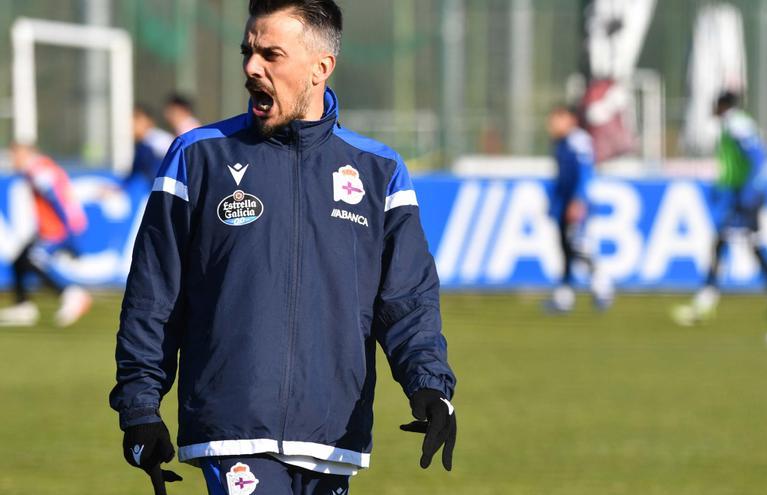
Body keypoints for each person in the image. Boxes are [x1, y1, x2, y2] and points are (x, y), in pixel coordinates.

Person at [109, 2, 457, 494]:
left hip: (333, 435)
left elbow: (407, 301)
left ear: (321, 67)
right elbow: (154, 294)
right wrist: (140, 407)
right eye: (248, 52)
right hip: (234, 431)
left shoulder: (378, 170)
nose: (253, 67)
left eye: (271, 54)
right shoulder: (198, 156)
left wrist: (429, 386)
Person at [672, 92, 767, 326]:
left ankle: (705, 303)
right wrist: (723, 187)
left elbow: (758, 156)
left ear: (722, 105)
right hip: (742, 193)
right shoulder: (733, 125)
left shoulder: (736, 124)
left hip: (745, 195)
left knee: (722, 244)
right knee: (753, 245)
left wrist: (748, 190)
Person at [0, 142, 92, 327]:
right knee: (20, 260)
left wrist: (70, 231)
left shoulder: (38, 169)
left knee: (33, 258)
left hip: (58, 228)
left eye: (15, 155)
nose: (13, 160)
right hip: (54, 227)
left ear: (27, 153)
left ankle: (72, 294)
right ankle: (23, 306)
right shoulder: (39, 168)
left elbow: (56, 198)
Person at [545, 105, 614, 313]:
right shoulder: (561, 143)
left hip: (576, 204)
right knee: (565, 249)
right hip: (565, 202)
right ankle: (564, 297)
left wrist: (578, 200)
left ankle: (603, 286)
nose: (552, 124)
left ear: (570, 119)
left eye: (557, 118)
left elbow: (584, 174)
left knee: (579, 247)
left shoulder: (578, 141)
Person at [128, 104, 175, 187]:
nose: (132, 123)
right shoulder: (141, 143)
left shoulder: (158, 142)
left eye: (137, 118)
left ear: (149, 121)